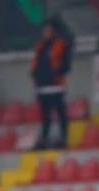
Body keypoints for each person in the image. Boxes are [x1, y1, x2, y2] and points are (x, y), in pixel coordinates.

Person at [31, 17, 72, 149]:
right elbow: (35, 65)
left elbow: (65, 65)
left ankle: (63, 138)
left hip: (56, 86)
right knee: (45, 115)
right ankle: (44, 138)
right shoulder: (40, 46)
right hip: (42, 86)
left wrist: (58, 71)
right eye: (45, 30)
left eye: (49, 30)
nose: (47, 32)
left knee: (60, 113)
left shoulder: (62, 44)